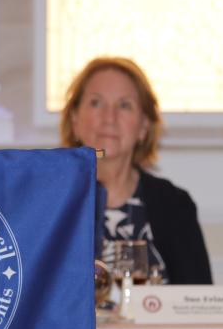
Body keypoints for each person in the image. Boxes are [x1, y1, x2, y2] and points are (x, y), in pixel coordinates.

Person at [60, 57, 212, 284]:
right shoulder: (48, 203)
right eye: (95, 103)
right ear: (74, 119)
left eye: (124, 105)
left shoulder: (175, 206)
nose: (109, 118)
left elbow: (199, 307)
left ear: (143, 127)